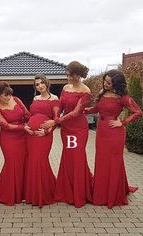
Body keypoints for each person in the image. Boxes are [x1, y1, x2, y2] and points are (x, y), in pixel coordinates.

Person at [85, 69, 143, 208]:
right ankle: (102, 192)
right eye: (105, 81)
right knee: (102, 161)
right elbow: (96, 109)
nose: (105, 84)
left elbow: (138, 112)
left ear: (116, 83)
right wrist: (82, 110)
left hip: (114, 133)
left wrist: (122, 122)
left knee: (114, 162)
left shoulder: (122, 97)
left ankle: (113, 195)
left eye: (109, 82)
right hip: (101, 131)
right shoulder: (103, 93)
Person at [42, 61, 93, 208]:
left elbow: (77, 112)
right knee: (68, 156)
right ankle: (65, 191)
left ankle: (79, 193)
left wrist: (56, 121)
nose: (69, 78)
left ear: (78, 74)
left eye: (71, 76)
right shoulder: (65, 87)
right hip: (66, 128)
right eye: (67, 75)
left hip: (78, 129)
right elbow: (61, 106)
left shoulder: (86, 91)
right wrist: (53, 114)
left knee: (77, 157)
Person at [0, 82, 31, 206]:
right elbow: (4, 125)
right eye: (5, 95)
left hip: (24, 136)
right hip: (9, 138)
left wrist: (28, 122)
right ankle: (11, 193)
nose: (9, 98)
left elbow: (27, 114)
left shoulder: (17, 99)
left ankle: (24, 193)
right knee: (12, 163)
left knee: (24, 162)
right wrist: (22, 127)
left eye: (10, 95)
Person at [24, 74, 60, 207]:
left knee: (40, 161)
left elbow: (56, 120)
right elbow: (32, 115)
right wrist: (26, 125)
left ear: (46, 82)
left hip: (44, 135)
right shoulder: (35, 98)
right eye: (37, 84)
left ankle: (44, 194)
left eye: (41, 83)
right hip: (31, 135)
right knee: (33, 162)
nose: (39, 86)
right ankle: (32, 194)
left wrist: (46, 131)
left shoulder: (55, 98)